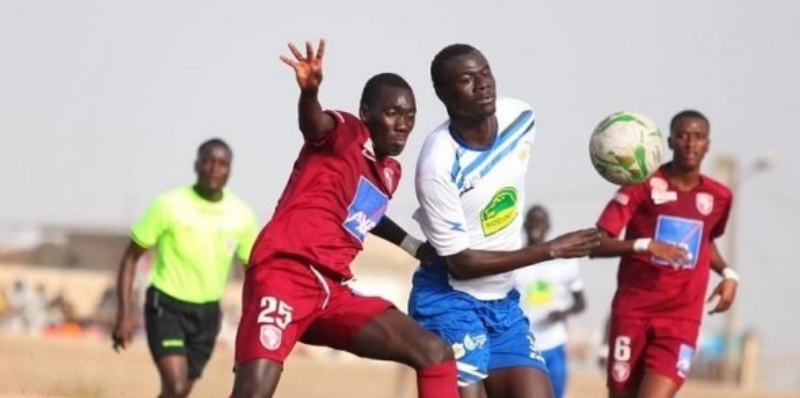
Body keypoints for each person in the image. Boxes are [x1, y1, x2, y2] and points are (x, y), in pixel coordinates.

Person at [230, 39, 459, 398]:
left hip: (333, 292)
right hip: (285, 275)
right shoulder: (347, 132)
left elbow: (367, 216)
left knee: (435, 352)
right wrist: (310, 92)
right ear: (366, 113)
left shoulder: (390, 172)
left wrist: (414, 247)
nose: (403, 124)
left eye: (410, 115)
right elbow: (313, 124)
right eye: (393, 113)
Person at [408, 43, 600, 398]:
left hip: (502, 303)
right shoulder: (436, 165)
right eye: (467, 79)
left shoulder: (520, 118)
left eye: (485, 72)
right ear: (443, 94)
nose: (483, 84)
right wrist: (551, 250)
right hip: (450, 299)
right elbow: (461, 264)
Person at [591, 109, 739, 398]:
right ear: (669, 142)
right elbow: (598, 243)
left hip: (681, 319)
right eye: (683, 136)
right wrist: (646, 244)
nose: (690, 143)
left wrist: (729, 273)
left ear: (708, 144)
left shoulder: (719, 197)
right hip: (633, 312)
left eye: (698, 137)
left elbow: (705, 238)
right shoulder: (640, 185)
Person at [112, 138, 259, 398]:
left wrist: (249, 329)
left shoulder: (243, 216)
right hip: (166, 307)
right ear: (196, 165)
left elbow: (254, 275)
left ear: (230, 170)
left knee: (176, 394)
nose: (214, 168)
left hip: (208, 315)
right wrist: (124, 313)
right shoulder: (168, 205)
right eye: (208, 161)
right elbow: (130, 259)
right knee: (176, 386)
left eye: (222, 163)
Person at [514, 205, 587, 398]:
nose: (536, 226)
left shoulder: (566, 263)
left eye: (541, 222)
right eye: (532, 221)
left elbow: (581, 303)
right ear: (524, 225)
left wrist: (565, 313)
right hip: (523, 346)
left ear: (548, 226)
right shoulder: (513, 262)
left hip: (554, 344)